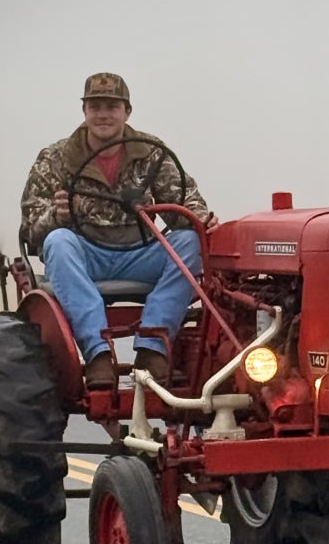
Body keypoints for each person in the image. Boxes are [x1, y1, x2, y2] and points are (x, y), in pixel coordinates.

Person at [20, 72, 217, 388]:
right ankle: (98, 354)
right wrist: (56, 215)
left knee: (189, 241)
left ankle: (153, 346)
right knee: (58, 241)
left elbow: (183, 206)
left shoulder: (151, 153)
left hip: (141, 253)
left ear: (127, 111)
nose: (103, 115)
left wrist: (201, 219)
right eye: (95, 107)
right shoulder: (55, 158)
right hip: (87, 255)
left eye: (111, 107)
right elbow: (31, 227)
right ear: (84, 111)